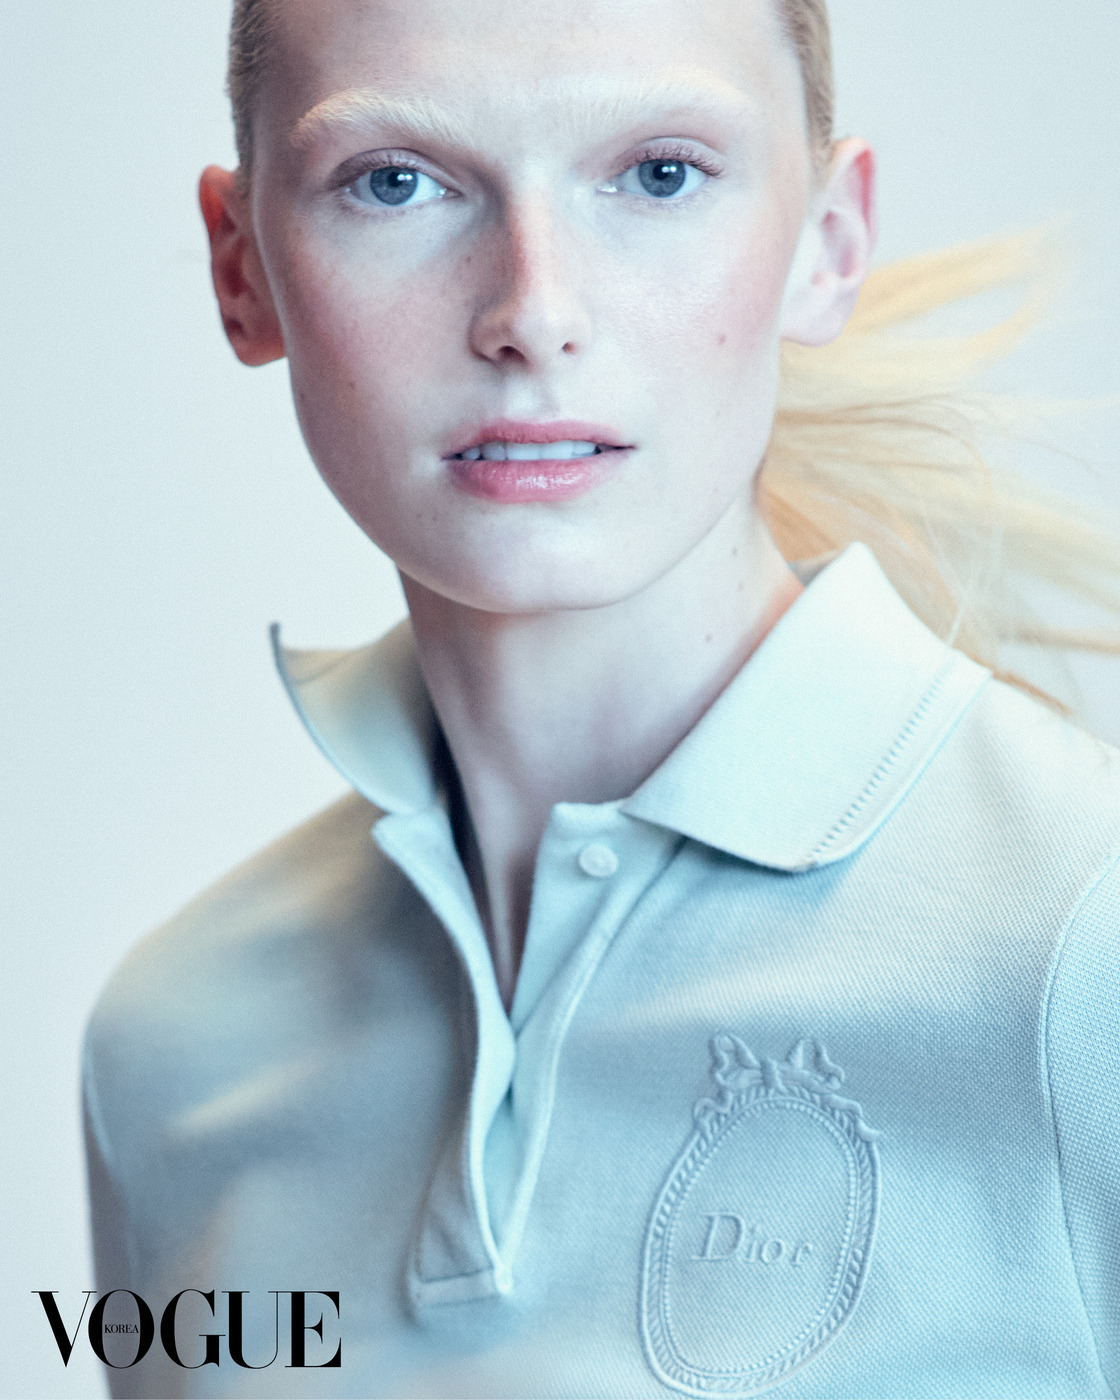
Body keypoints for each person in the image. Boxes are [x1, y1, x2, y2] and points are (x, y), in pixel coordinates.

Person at [82, 0, 1120, 1394]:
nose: (535, 312)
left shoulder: (1087, 949)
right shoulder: (172, 1051)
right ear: (242, 267)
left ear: (828, 242)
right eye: (395, 182)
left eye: (659, 173)